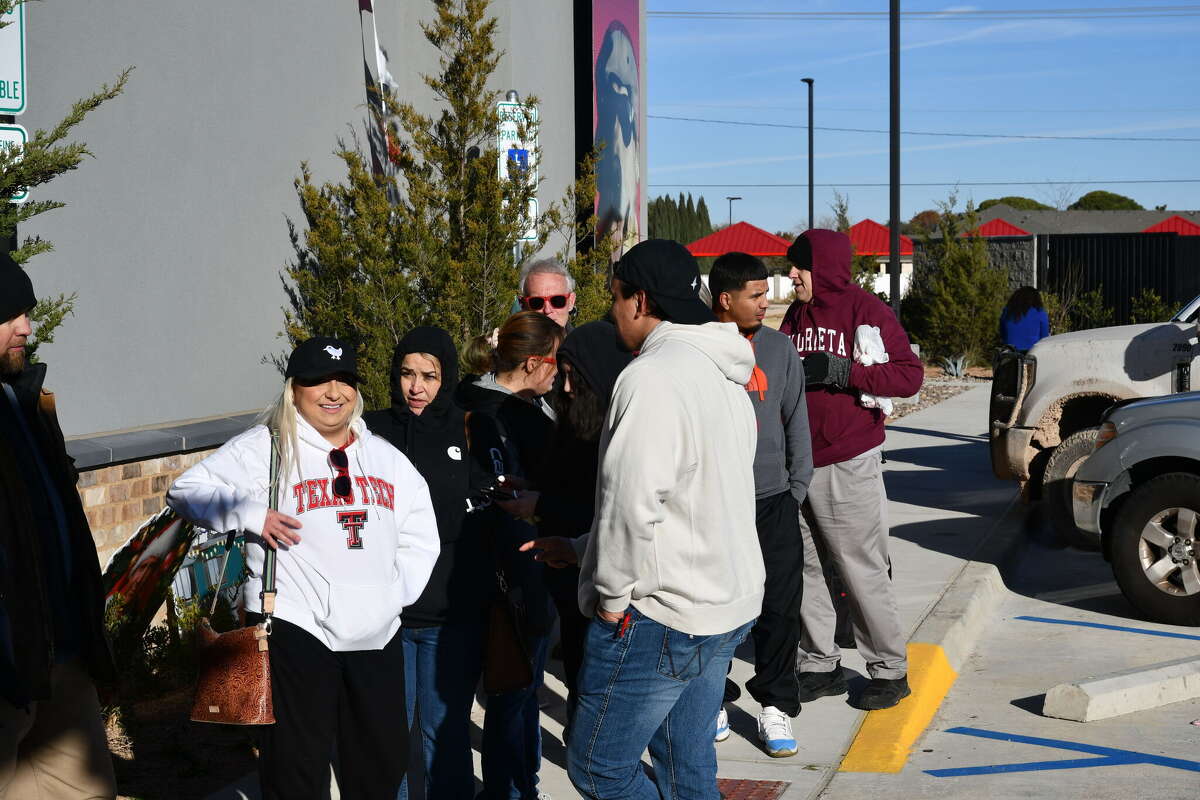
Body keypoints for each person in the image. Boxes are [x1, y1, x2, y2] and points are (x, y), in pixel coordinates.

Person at [167, 337, 440, 800]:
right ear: (294, 390)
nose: (333, 393)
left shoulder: (383, 456)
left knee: (382, 761)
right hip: (296, 626)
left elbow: (420, 532)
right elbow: (186, 491)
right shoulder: (265, 448)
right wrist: (253, 516)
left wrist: (394, 595)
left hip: (376, 633)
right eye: (318, 381)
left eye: (344, 381)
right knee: (296, 768)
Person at [567, 239, 763, 799]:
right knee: (685, 765)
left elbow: (631, 507)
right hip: (723, 601)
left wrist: (607, 601)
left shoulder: (651, 377)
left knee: (599, 769)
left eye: (615, 298)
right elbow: (701, 497)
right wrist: (584, 547)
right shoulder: (724, 372)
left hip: (664, 614)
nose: (611, 311)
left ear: (641, 300)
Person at [779, 229, 924, 711]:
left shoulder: (867, 311)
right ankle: (820, 663)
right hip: (799, 463)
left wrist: (845, 371)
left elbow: (909, 375)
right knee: (807, 568)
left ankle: (888, 669)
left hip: (847, 461)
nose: (791, 274)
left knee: (860, 569)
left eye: (799, 266)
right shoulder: (798, 314)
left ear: (824, 268)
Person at [363, 327, 501, 800]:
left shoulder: (470, 427)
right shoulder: (372, 430)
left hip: (451, 617)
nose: (416, 387)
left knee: (444, 738)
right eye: (406, 374)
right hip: (386, 617)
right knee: (390, 739)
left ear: (448, 377)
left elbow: (491, 507)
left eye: (429, 375)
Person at [0, 252, 117, 799]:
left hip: (59, 655)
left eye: (25, 312)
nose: (26, 327)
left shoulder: (27, 401)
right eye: (9, 315)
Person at [456, 311, 564, 800]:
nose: (560, 375)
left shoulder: (462, 397)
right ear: (534, 364)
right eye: (555, 363)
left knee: (503, 689)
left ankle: (514, 785)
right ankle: (514, 788)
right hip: (519, 563)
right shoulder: (517, 415)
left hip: (472, 562)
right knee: (515, 689)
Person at [709, 251, 813, 757]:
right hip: (716, 504)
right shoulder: (699, 347)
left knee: (779, 608)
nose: (766, 301)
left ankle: (776, 705)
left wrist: (796, 487)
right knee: (716, 610)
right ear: (724, 300)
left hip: (773, 499)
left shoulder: (779, 347)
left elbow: (796, 419)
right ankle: (713, 698)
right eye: (756, 294)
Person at [514, 320, 633, 721]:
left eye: (574, 378)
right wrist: (530, 489)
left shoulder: (619, 433)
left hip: (610, 587)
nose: (564, 389)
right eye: (562, 376)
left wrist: (541, 500)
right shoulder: (569, 422)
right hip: (567, 579)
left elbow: (607, 510)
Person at [517, 257, 577, 329]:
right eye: (537, 302)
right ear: (522, 305)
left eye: (557, 301)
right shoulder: (507, 339)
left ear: (571, 302)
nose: (547, 310)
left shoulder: (585, 340)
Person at [1000, 286, 1050, 352]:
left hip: (1009, 354)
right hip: (1032, 355)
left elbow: (1003, 334)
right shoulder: (1040, 313)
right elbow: (1044, 339)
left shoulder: (1007, 312)